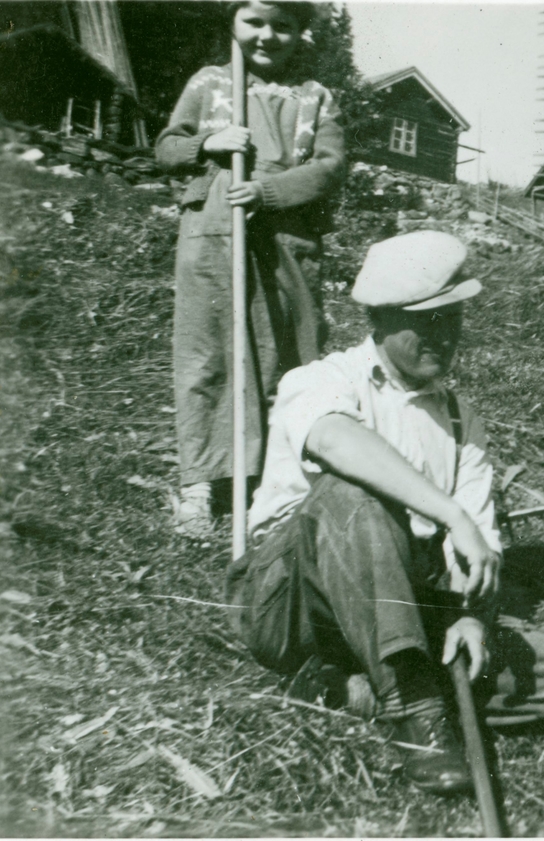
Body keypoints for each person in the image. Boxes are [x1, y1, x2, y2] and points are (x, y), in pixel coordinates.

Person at [225, 231, 544, 795]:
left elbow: (480, 544)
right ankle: (418, 711)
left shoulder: (462, 419)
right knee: (355, 496)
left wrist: (473, 614)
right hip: (293, 602)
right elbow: (337, 444)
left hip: (402, 609)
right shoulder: (321, 380)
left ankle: (355, 690)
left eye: (453, 319)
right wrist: (450, 515)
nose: (443, 337)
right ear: (380, 319)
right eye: (427, 322)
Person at [157, 0, 346, 536]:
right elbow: (168, 147)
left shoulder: (316, 97)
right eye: (254, 22)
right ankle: (201, 482)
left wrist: (269, 190)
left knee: (286, 352)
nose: (267, 36)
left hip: (288, 235)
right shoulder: (210, 82)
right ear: (233, 23)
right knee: (208, 351)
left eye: (282, 25)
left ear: (301, 32)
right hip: (215, 231)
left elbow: (330, 168)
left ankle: (275, 480)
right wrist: (208, 142)